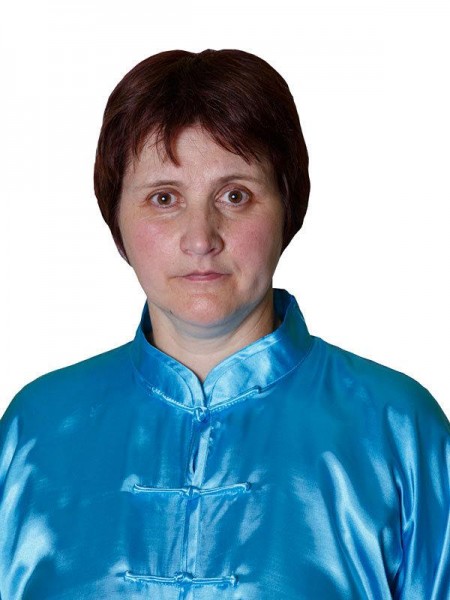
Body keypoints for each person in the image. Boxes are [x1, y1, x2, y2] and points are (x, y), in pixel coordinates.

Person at [0, 49, 448, 600]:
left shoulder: (397, 429)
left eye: (235, 196)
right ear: (115, 216)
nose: (200, 238)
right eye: (164, 198)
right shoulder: (35, 430)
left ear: (288, 206)